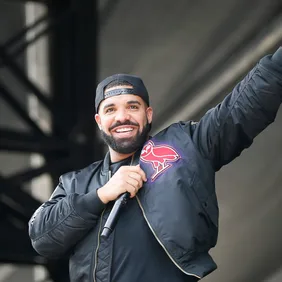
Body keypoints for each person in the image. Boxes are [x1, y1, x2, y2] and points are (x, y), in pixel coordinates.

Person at [29, 47, 282, 282]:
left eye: (132, 106)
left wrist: (277, 65)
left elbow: (239, 110)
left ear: (148, 114)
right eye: (110, 110)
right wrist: (100, 195)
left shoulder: (185, 145)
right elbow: (42, 237)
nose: (122, 116)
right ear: (98, 120)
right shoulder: (76, 182)